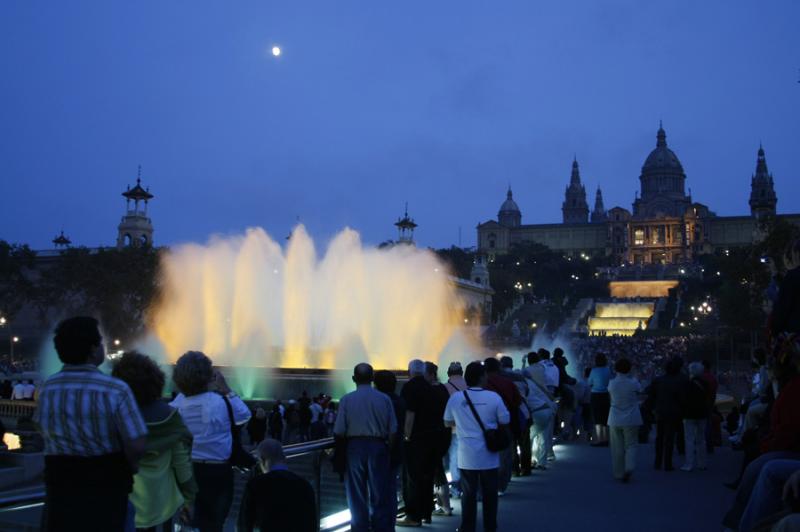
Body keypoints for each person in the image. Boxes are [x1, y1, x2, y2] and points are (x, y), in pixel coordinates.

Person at [34, 316, 147, 532]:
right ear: (93, 349)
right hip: (106, 490)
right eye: (102, 342)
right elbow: (137, 443)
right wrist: (129, 466)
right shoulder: (115, 389)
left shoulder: (47, 389)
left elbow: (41, 430)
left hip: (61, 491)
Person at [111, 351, 197, 532]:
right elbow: (182, 464)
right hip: (160, 504)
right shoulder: (171, 417)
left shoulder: (113, 416)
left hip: (121, 500)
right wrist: (189, 498)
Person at [170, 351, 251, 532]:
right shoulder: (221, 402)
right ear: (209, 376)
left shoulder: (175, 406)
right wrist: (226, 389)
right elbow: (244, 415)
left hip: (186, 472)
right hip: (218, 473)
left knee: (188, 523)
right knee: (215, 524)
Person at [443, 361, 510, 532]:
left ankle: (467, 527)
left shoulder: (456, 398)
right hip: (489, 456)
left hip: (467, 455)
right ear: (482, 377)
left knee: (468, 495)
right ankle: (490, 527)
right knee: (490, 495)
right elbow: (505, 420)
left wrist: (462, 423)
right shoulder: (493, 397)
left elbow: (447, 421)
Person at [333, 363, 397, 532]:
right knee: (380, 493)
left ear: (354, 379)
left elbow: (339, 430)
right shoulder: (384, 399)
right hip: (379, 447)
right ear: (372, 378)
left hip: (354, 448)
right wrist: (387, 449)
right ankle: (381, 528)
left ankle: (359, 528)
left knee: (356, 495)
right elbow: (393, 430)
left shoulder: (347, 400)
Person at [238, 439, 317, 532]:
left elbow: (244, 524)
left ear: (262, 461)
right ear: (284, 457)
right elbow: (312, 523)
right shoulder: (304, 485)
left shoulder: (255, 485)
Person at [398, 359, 440, 527]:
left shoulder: (409, 387)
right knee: (427, 476)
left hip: (416, 440)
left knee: (412, 477)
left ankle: (413, 516)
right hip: (432, 438)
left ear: (409, 371)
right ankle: (426, 512)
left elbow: (410, 413)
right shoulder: (430, 387)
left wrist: (406, 436)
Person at [484, 357, 522, 490]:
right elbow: (518, 401)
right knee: (506, 454)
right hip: (506, 424)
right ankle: (502, 486)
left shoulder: (483, 384)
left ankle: (489, 484)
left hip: (486, 426)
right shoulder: (508, 382)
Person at [374, 369, 406, 522]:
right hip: (397, 450)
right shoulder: (400, 401)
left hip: (380, 450)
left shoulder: (380, 402)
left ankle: (378, 521)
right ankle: (390, 521)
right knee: (391, 487)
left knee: (376, 488)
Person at [649, 357, 688, 471]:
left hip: (660, 412)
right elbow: (683, 399)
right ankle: (667, 463)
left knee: (659, 437)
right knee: (669, 438)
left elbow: (651, 395)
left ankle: (657, 462)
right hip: (674, 413)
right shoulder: (681, 381)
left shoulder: (658, 380)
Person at [425, 361, 454, 517]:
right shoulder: (443, 389)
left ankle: (444, 506)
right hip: (443, 433)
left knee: (436, 470)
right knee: (438, 468)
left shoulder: (429, 390)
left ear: (430, 374)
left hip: (432, 435)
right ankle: (441, 505)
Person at [607, 358, 643, 482]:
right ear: (629, 369)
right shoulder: (633, 382)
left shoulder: (612, 383)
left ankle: (618, 473)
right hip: (632, 417)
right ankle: (629, 467)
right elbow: (640, 389)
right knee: (631, 444)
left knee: (617, 447)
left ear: (616, 369)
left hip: (615, 418)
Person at [501, 355, 532, 476]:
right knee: (525, 442)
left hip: (509, 413)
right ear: (512, 365)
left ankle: (514, 470)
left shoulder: (501, 378)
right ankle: (526, 468)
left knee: (512, 442)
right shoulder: (520, 377)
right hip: (524, 412)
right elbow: (527, 392)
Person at [524, 363, 557, 470]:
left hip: (537, 412)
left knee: (529, 437)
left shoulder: (523, 384)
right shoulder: (533, 383)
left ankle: (530, 461)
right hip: (547, 409)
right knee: (543, 437)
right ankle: (541, 463)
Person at [681, 362, 709, 472]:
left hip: (689, 414)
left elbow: (684, 399)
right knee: (701, 439)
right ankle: (702, 463)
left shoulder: (687, 384)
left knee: (689, 439)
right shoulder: (706, 384)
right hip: (702, 413)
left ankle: (689, 464)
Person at [444, 362, 466, 497]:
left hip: (452, 429)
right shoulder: (469, 386)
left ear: (448, 373)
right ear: (462, 372)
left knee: (454, 459)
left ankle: (456, 489)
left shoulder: (445, 387)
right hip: (470, 429)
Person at [588, 353, 612, 446]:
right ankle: (606, 439)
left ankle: (599, 439)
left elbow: (589, 382)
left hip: (595, 395)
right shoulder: (608, 370)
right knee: (605, 417)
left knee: (597, 418)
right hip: (605, 395)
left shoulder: (594, 371)